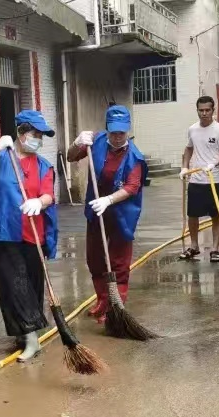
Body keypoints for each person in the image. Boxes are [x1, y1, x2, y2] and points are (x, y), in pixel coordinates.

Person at [0, 110, 58, 362]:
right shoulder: (2, 159)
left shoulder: (43, 165)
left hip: (34, 234)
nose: (38, 139)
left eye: (41, 135)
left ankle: (25, 333)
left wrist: (39, 202)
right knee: (13, 286)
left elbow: (49, 194)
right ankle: (31, 340)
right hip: (6, 232)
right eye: (35, 133)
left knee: (31, 285)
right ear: (20, 133)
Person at [67, 105, 147, 324]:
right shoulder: (97, 141)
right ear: (107, 129)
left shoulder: (135, 157)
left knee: (119, 261)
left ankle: (115, 307)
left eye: (122, 132)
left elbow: (132, 187)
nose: (118, 137)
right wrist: (76, 143)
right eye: (114, 132)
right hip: (97, 209)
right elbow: (70, 157)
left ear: (128, 130)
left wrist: (109, 199)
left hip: (122, 211)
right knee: (95, 257)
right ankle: (103, 300)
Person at [179, 96, 219, 262]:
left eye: (207, 110)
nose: (204, 113)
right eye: (201, 110)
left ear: (213, 110)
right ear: (197, 110)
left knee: (216, 215)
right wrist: (184, 167)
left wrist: (214, 163)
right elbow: (188, 149)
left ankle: (215, 249)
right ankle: (194, 246)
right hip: (196, 179)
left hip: (215, 179)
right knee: (193, 215)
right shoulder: (193, 129)